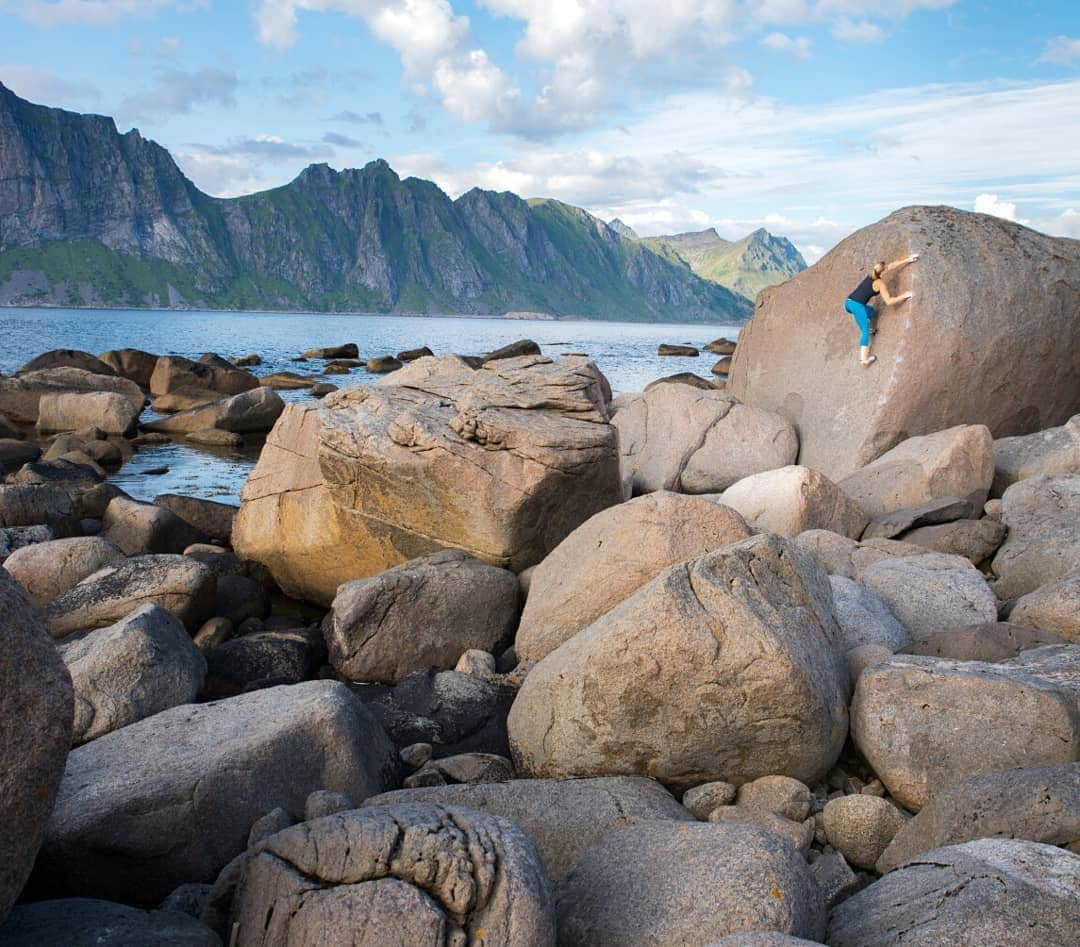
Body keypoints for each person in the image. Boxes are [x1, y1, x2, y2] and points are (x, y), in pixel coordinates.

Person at [844, 254, 918, 366]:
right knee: (864, 330)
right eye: (886, 268)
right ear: (882, 272)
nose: (888, 268)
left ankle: (868, 328)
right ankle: (863, 360)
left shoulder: (872, 274)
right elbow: (888, 301)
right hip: (855, 305)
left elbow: (892, 265)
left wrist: (908, 259)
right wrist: (904, 296)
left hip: (848, 302)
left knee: (871, 312)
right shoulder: (880, 283)